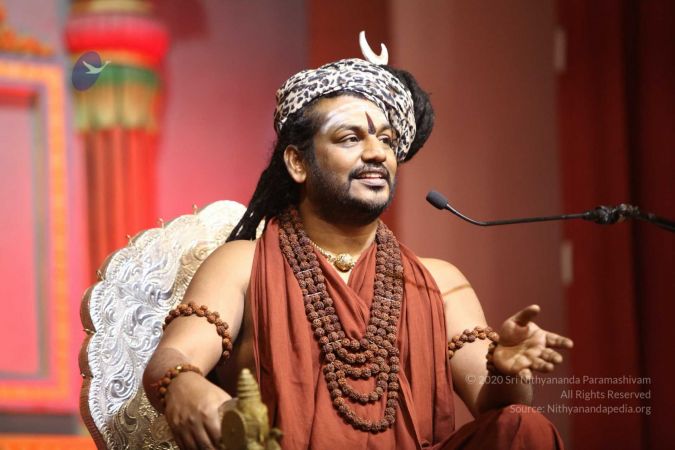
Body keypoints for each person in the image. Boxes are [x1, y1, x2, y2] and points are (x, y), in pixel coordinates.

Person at [143, 35, 573, 450]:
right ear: (297, 162)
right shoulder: (242, 264)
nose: (377, 153)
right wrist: (183, 382)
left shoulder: (440, 282)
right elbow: (174, 353)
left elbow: (493, 405)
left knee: (525, 425)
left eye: (386, 140)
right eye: (351, 138)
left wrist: (504, 371)